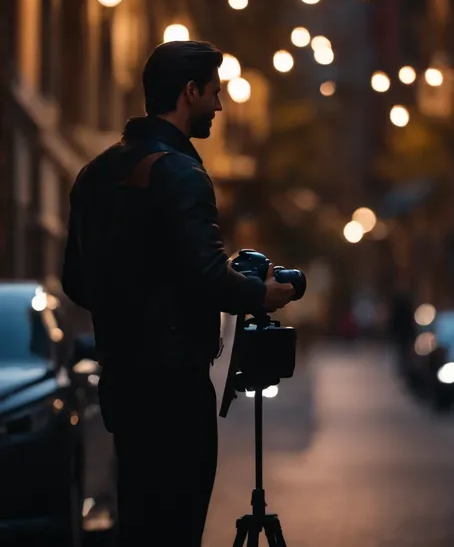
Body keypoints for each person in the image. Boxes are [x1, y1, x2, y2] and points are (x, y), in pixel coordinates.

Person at [61, 40, 294, 546]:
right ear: (189, 92)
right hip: (174, 389)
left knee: (139, 528)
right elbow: (208, 275)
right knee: (177, 528)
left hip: (123, 383)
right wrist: (262, 294)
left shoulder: (94, 174)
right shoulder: (181, 172)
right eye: (214, 92)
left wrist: (130, 310)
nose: (220, 105)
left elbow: (75, 280)